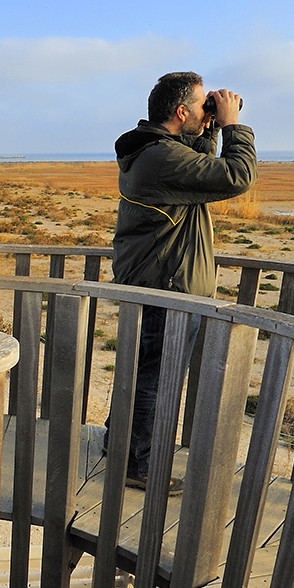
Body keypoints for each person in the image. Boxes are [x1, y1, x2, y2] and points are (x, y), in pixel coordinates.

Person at [109, 71, 256, 490]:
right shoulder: (160, 158)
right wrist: (232, 127)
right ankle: (140, 465)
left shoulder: (155, 151)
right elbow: (233, 177)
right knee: (156, 377)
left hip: (157, 280)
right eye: (199, 105)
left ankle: (119, 446)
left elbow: (200, 172)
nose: (207, 110)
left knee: (142, 370)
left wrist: (206, 127)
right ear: (179, 111)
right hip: (166, 287)